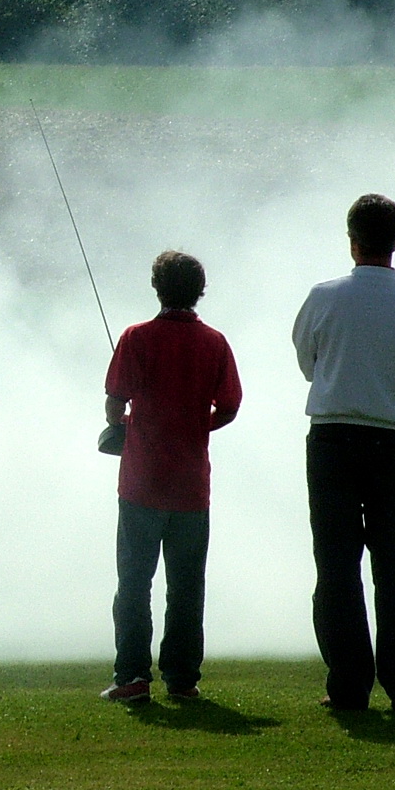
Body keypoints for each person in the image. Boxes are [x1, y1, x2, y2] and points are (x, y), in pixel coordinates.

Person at [292, 193, 395, 712]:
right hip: (394, 442)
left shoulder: (324, 296)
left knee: (336, 564)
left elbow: (309, 362)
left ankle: (348, 684)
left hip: (333, 438)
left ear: (352, 240)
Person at [100, 251, 241, 703]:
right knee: (186, 588)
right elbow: (230, 406)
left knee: (134, 584)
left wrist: (125, 426)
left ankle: (132, 677)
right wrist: (199, 424)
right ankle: (182, 678)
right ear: (198, 290)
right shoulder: (215, 343)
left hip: (141, 483)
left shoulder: (136, 337)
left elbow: (114, 400)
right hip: (191, 487)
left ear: (157, 288)